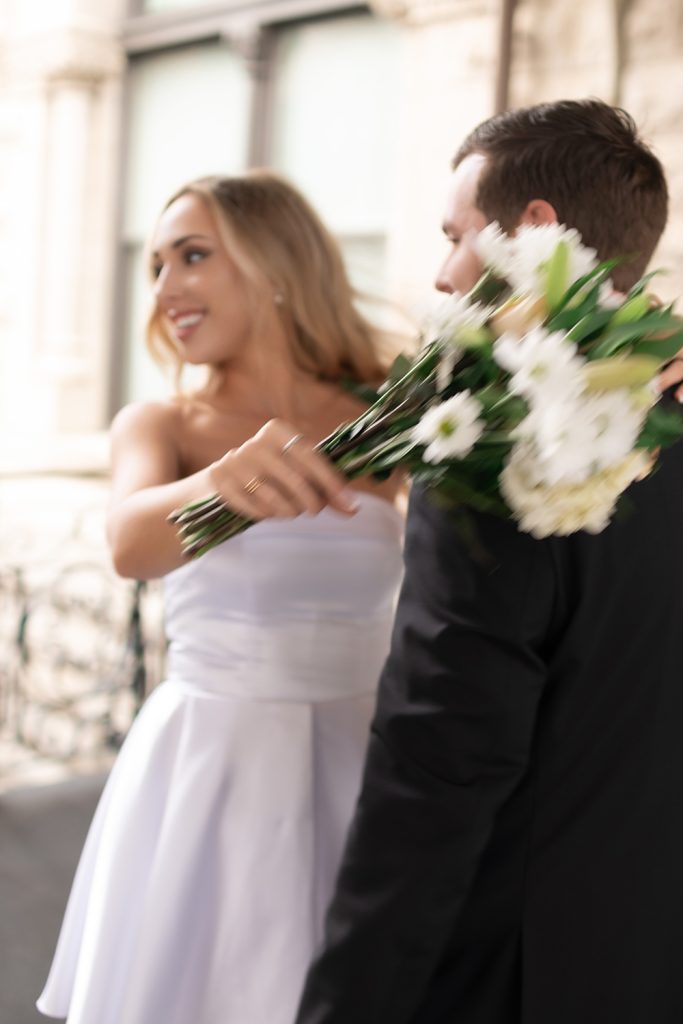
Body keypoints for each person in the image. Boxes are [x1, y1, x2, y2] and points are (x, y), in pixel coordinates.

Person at [288, 100, 683, 1024]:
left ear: (534, 230)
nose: (440, 271)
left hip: (518, 965)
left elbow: (439, 760)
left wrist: (348, 1001)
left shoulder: (493, 451)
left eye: (456, 235)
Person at [36, 171, 404, 1024]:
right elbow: (130, 541)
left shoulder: (384, 416)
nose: (164, 290)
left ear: (274, 265)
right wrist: (217, 486)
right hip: (207, 773)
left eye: (191, 257)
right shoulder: (161, 426)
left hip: (361, 766)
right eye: (155, 267)